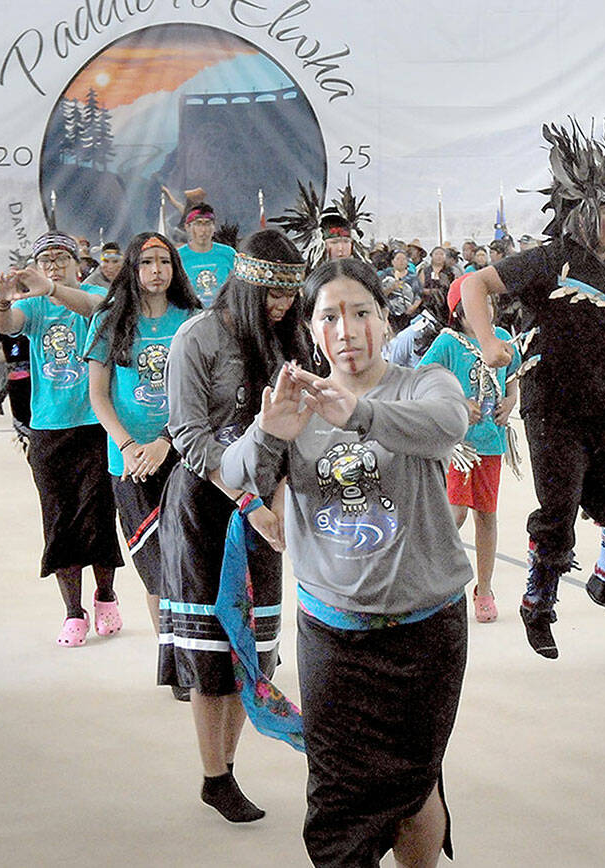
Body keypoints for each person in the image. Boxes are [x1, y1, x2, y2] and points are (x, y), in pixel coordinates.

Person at [221, 257, 471, 866]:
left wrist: (357, 414)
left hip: (426, 633)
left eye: (361, 313)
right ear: (311, 330)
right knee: (337, 796)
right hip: (333, 635)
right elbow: (234, 473)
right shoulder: (295, 402)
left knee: (415, 782)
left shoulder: (424, 382)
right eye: (329, 316)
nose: (347, 329)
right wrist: (268, 433)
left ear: (385, 320)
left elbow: (448, 425)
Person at [461, 116, 605, 658]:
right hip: (554, 409)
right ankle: (537, 606)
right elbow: (476, 283)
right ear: (585, 213)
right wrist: (488, 341)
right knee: (558, 515)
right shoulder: (550, 259)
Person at [161, 229, 308, 823]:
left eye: (290, 297)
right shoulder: (196, 338)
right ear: (245, 285)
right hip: (206, 508)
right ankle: (214, 775)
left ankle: (226, 765)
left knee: (253, 650)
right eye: (273, 295)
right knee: (212, 654)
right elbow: (189, 436)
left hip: (264, 509)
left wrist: (278, 501)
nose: (282, 307)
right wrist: (250, 503)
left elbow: (291, 435)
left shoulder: (287, 339)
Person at [0, 230, 122, 646]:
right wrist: (2, 301)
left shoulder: (94, 294)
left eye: (61, 258)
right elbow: (7, 324)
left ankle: (105, 594)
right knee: (59, 519)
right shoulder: (33, 306)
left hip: (96, 424)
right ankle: (72, 611)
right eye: (45, 260)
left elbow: (104, 309)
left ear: (77, 264)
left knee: (99, 515)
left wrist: (53, 289)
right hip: (49, 427)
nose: (53, 266)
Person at [84, 232, 200, 640]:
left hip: (185, 454)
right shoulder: (109, 319)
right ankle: (171, 653)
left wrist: (166, 441)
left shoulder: (192, 318)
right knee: (156, 567)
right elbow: (98, 396)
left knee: (193, 559)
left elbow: (201, 393)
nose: (156, 271)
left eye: (165, 262)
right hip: (130, 462)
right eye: (147, 262)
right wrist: (129, 446)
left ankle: (199, 650)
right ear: (132, 269)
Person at [419, 280, 520, 623]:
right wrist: (457, 403)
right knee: (456, 513)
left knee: (486, 516)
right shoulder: (448, 342)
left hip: (491, 443)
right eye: (476, 304)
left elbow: (513, 377)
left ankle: (485, 590)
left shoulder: (502, 338)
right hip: (458, 446)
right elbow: (422, 380)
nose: (485, 309)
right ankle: (438, 581)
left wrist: (510, 401)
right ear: (459, 312)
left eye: (488, 302)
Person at [176, 203, 236, 307]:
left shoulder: (229, 254)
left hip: (222, 311)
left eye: (207, 224)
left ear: (214, 227)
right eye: (198, 224)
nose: (203, 230)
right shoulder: (178, 257)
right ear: (187, 227)